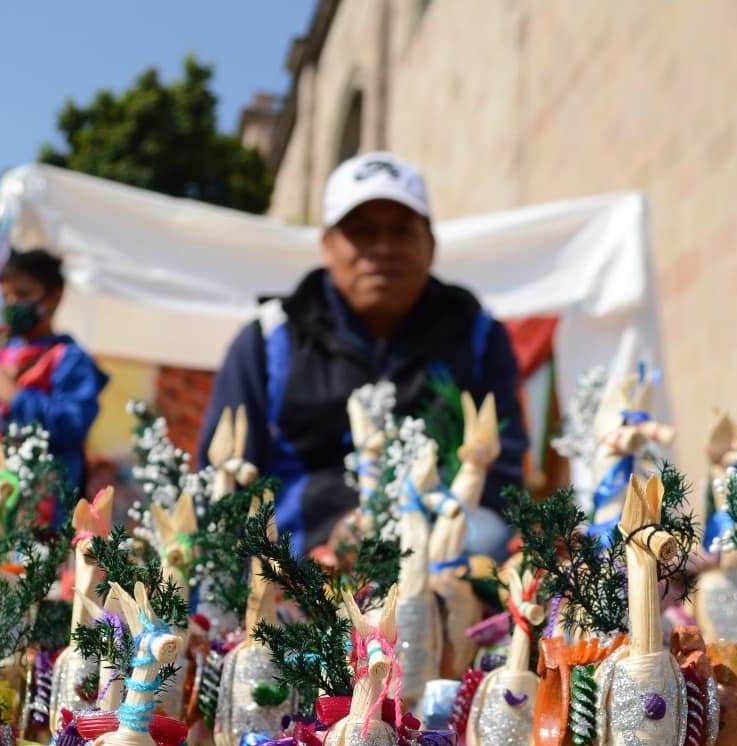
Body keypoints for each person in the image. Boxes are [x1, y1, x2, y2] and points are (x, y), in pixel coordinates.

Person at [197, 151, 527, 554]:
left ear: (431, 245)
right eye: (363, 231)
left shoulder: (478, 334)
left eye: (402, 231)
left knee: (487, 536)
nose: (383, 247)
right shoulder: (268, 339)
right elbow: (222, 481)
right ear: (328, 245)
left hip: (442, 556)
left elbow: (501, 474)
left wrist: (420, 536)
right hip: (298, 567)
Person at [0, 249, 108, 526]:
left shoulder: (69, 359)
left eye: (22, 294)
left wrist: (16, 397)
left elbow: (73, 423)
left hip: (39, 515)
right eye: (7, 296)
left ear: (54, 297)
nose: (12, 304)